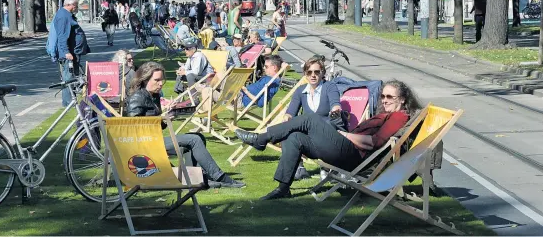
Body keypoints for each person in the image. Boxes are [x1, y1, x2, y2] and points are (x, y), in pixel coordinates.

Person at [235, 80, 420, 200]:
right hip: (347, 148)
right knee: (295, 137)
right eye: (383, 96)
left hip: (355, 155)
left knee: (309, 119)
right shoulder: (385, 113)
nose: (385, 100)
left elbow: (375, 142)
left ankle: (260, 139)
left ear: (402, 100)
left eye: (390, 97)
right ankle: (283, 188)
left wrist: (346, 135)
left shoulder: (398, 116)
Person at [125, 61, 245, 188]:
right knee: (193, 139)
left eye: (162, 80)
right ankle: (220, 177)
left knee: (199, 137)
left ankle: (197, 179)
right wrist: (160, 118)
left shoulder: (153, 96)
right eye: (157, 80)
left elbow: (158, 124)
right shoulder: (137, 97)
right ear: (145, 79)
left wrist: (167, 116)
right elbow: (134, 127)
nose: (160, 83)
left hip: (154, 139)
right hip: (146, 143)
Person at [284, 55, 342, 180]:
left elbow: (335, 103)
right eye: (309, 72)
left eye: (316, 72)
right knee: (286, 129)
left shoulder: (329, 87)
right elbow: (290, 112)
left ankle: (327, 167)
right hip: (309, 131)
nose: (313, 75)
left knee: (330, 126)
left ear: (322, 73)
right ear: (305, 74)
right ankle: (299, 168)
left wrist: (335, 109)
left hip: (326, 129)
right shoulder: (300, 91)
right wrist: (287, 118)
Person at [48, 0, 91, 107]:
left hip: (73, 52)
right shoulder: (63, 16)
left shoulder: (66, 15)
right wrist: (66, 52)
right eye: (76, 5)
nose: (76, 8)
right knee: (68, 77)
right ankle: (68, 102)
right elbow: (62, 36)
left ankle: (70, 100)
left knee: (72, 76)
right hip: (68, 54)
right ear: (71, 4)